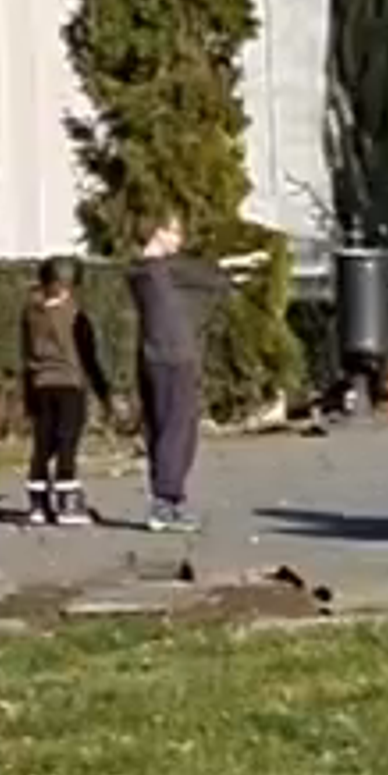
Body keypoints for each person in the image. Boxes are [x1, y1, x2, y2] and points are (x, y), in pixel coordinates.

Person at [127, 214, 207, 545]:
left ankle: (170, 499)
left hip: (165, 358)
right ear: (158, 232)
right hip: (171, 359)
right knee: (175, 429)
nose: (179, 239)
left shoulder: (154, 272)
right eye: (174, 231)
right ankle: (164, 502)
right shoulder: (154, 272)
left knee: (173, 429)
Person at [17, 258, 110, 525]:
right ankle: (68, 503)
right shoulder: (75, 315)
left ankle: (37, 504)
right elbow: (88, 356)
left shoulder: (30, 313)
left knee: (43, 445)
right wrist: (103, 392)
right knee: (67, 442)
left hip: (39, 384)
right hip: (70, 384)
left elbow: (25, 353)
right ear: (69, 286)